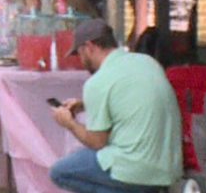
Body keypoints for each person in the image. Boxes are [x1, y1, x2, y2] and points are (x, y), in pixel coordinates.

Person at [48, 18, 182, 193]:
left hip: (134, 169)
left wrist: (70, 124)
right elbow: (131, 100)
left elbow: (97, 142)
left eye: (80, 53)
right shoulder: (147, 62)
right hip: (167, 167)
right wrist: (84, 104)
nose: (81, 60)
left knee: (59, 172)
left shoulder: (98, 82)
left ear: (89, 47)